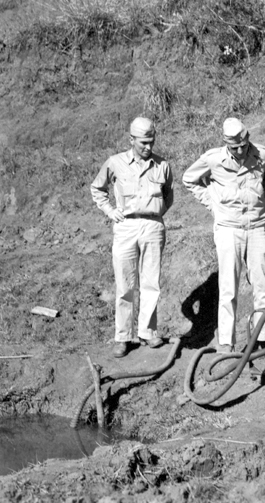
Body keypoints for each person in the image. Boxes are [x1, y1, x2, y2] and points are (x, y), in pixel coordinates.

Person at [182, 118, 265, 353]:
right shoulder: (213, 159)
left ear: (248, 139)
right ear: (225, 143)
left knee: (262, 284)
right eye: (234, 147)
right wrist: (213, 204)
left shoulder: (262, 155)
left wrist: (260, 201)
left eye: (243, 145)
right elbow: (189, 179)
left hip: (256, 228)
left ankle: (263, 337)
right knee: (228, 287)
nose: (239, 151)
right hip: (228, 229)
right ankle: (226, 342)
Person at [90, 117, 174, 358]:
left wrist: (154, 215)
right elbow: (97, 189)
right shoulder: (115, 163)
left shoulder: (162, 166)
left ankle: (148, 331)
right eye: (143, 143)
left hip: (152, 226)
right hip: (125, 226)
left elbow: (168, 196)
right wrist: (110, 210)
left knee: (151, 282)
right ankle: (123, 336)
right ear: (131, 140)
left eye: (152, 142)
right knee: (125, 284)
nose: (148, 147)